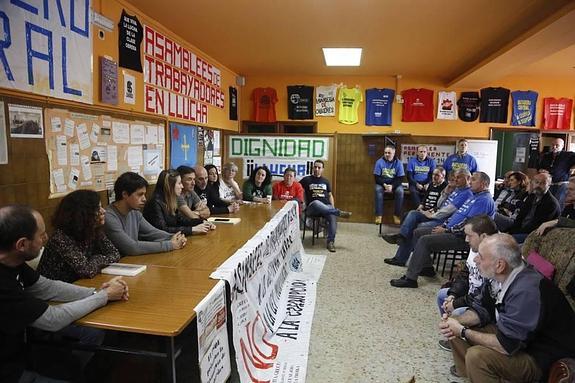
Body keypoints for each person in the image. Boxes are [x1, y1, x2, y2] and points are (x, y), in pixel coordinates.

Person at [0, 205, 128, 383]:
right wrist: (104, 296)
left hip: (21, 353)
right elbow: (53, 318)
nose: (46, 238)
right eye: (41, 235)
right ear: (21, 244)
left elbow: (47, 287)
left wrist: (98, 292)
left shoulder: (13, 261)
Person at [439, 233, 575, 382]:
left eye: (481, 257)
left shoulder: (526, 291)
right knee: (454, 328)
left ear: (500, 265)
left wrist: (463, 331)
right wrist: (456, 321)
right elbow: (482, 309)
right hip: (519, 340)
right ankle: (471, 376)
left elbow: (507, 345)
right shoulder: (500, 278)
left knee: (477, 357)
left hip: (540, 356)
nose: (476, 260)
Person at [390, 172, 495, 288]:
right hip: (450, 229)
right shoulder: (475, 196)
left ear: (484, 183)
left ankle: (410, 278)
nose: (470, 182)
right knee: (417, 232)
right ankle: (427, 267)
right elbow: (456, 215)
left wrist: (446, 230)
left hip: (463, 237)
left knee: (425, 240)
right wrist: (445, 226)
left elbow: (469, 224)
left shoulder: (484, 200)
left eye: (474, 180)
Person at [383, 169, 472, 266]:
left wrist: (431, 215)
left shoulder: (466, 193)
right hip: (436, 215)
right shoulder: (456, 189)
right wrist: (446, 192)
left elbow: (448, 211)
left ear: (467, 178)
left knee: (416, 227)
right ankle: (401, 237)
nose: (455, 179)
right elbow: (439, 204)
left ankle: (408, 260)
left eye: (459, 177)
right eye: (455, 177)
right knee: (413, 214)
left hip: (443, 221)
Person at [436, 215, 499, 352]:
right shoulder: (476, 247)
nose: (466, 240)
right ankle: (453, 337)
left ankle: (462, 346)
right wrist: (453, 295)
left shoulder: (496, 255)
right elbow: (466, 274)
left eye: (469, 236)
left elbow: (485, 294)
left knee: (458, 311)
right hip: (471, 296)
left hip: (484, 304)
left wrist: (456, 304)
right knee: (442, 295)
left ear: (482, 236)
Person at [37, 190, 120, 283]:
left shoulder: (93, 230)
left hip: (79, 284)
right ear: (82, 214)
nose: (103, 211)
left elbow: (115, 254)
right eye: (98, 208)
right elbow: (87, 270)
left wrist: (96, 259)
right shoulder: (60, 238)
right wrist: (98, 259)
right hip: (55, 292)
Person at [105, 172, 187, 255]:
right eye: (140, 194)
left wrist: (175, 237)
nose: (144, 199)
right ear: (125, 194)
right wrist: (170, 245)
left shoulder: (134, 212)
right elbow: (131, 247)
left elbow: (152, 232)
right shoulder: (109, 217)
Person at [300, 160, 352, 252]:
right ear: (313, 168)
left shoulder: (326, 181)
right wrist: (301, 202)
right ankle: (338, 212)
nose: (317, 169)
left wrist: (332, 206)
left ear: (322, 169)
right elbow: (296, 187)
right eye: (315, 167)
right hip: (312, 207)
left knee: (332, 216)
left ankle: (330, 242)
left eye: (319, 167)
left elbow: (330, 195)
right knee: (316, 202)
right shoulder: (306, 180)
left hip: (326, 207)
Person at [143, 170, 213, 236]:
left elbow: (181, 220)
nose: (182, 186)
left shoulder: (171, 199)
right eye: (179, 183)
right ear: (170, 186)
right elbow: (162, 230)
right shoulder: (155, 203)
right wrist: (192, 230)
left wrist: (202, 222)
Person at [505, 171, 560, 243]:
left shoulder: (551, 203)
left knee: (505, 242)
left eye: (543, 183)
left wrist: (515, 233)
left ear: (549, 185)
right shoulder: (532, 197)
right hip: (521, 230)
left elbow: (536, 227)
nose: (538, 185)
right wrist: (511, 231)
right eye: (536, 182)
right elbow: (520, 216)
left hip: (534, 236)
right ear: (533, 183)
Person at [538, 137, 575, 210]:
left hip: (561, 185)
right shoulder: (546, 155)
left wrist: (573, 168)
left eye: (557, 145)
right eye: (553, 145)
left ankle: (557, 220)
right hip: (548, 184)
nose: (554, 147)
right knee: (546, 204)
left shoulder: (568, 155)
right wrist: (542, 170)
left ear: (562, 146)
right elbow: (539, 167)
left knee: (558, 205)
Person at [373, 144, 405, 225]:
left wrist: (392, 186)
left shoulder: (399, 163)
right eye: (385, 152)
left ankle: (396, 215)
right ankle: (378, 215)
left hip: (394, 183)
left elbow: (400, 178)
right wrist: (384, 185)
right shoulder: (379, 162)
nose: (387, 154)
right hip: (382, 183)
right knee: (377, 190)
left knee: (400, 192)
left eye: (389, 153)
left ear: (393, 153)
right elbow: (376, 178)